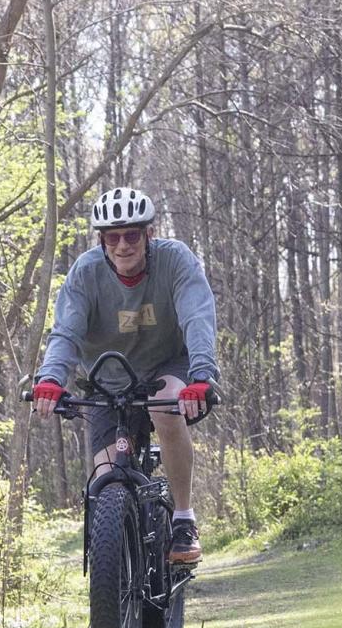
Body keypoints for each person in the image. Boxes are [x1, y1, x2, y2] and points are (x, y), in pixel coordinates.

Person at [30, 186, 220, 565]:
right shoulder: (86, 273)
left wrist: (202, 375)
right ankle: (110, 611)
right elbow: (65, 332)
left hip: (168, 366)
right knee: (104, 482)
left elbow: (197, 316)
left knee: (163, 408)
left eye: (131, 235)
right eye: (112, 238)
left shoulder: (175, 261)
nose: (122, 246)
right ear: (101, 240)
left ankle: (183, 519)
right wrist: (51, 379)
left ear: (149, 234)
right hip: (106, 381)